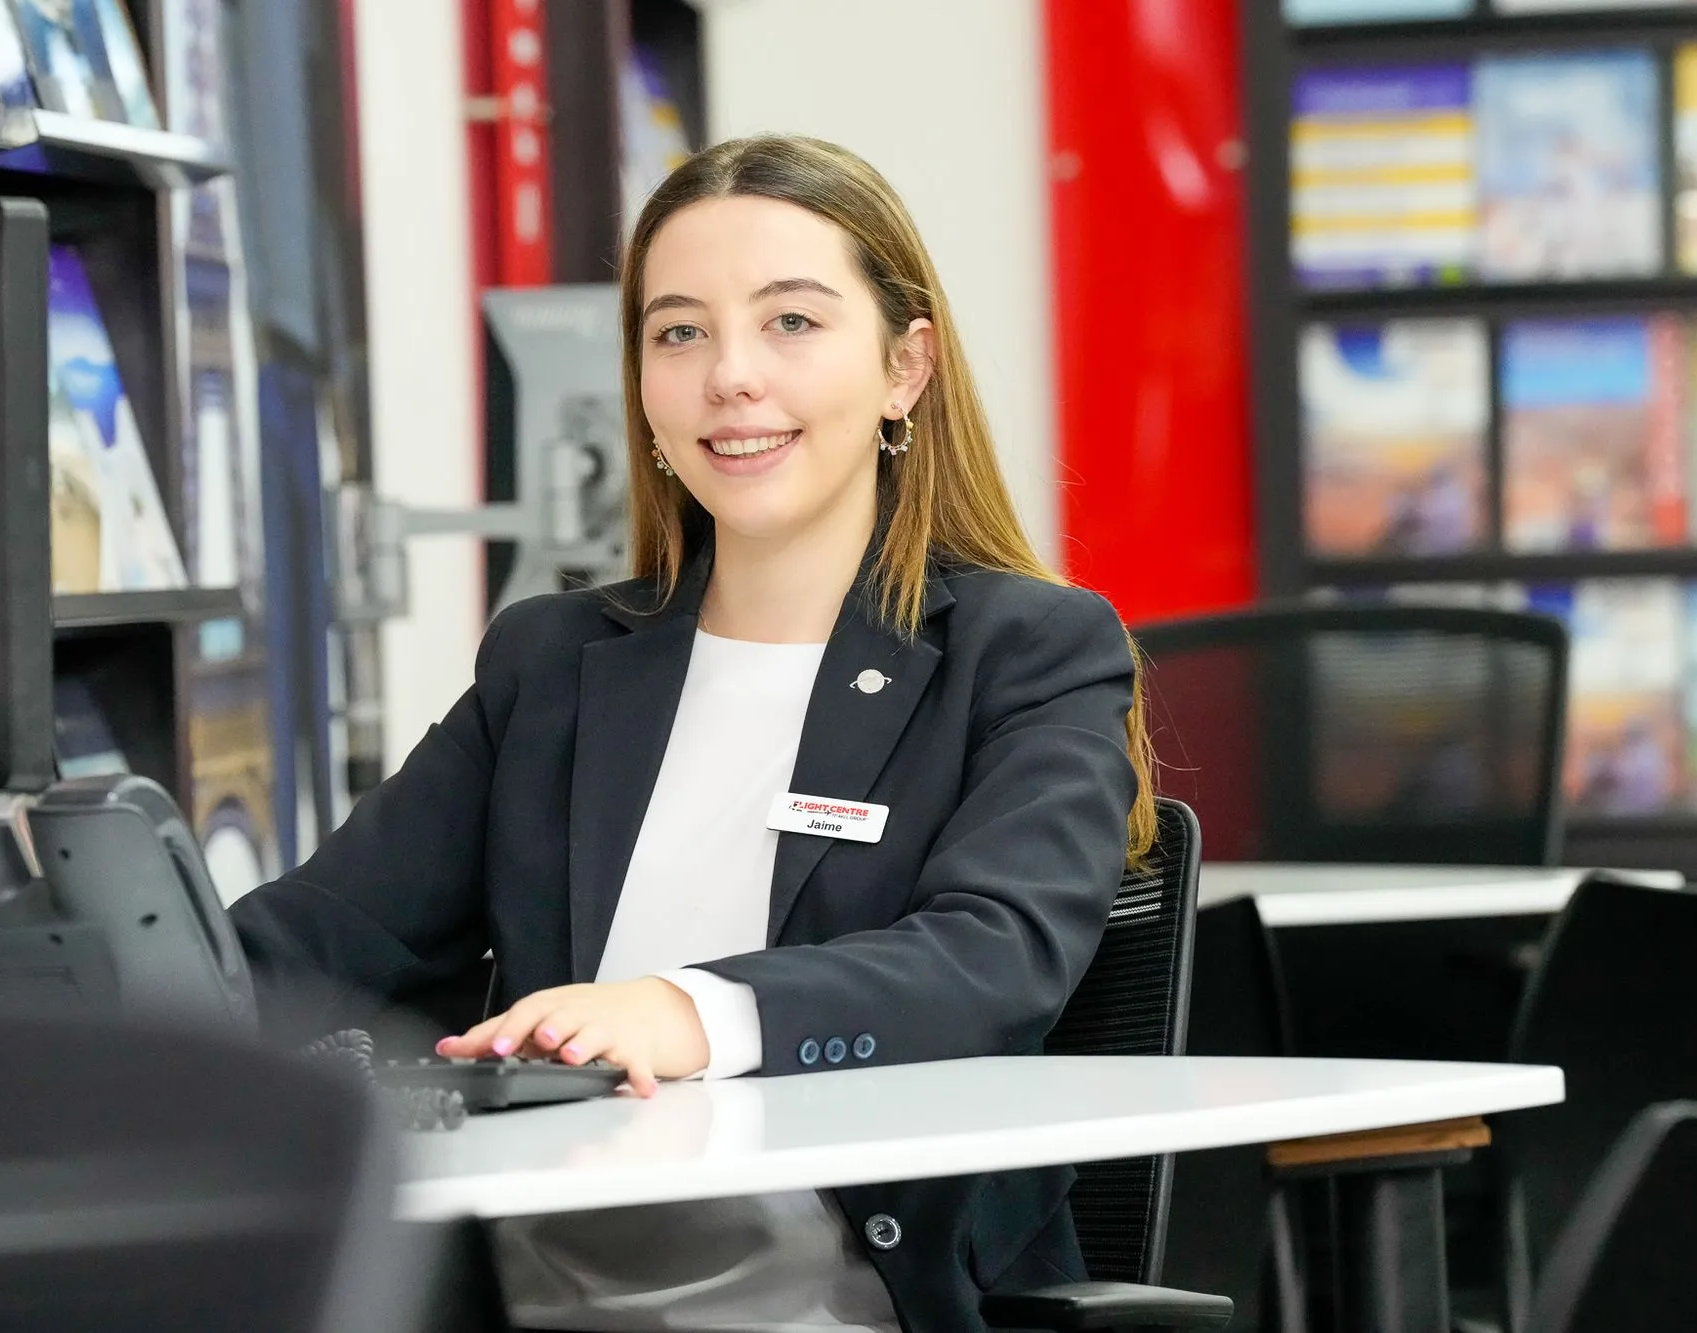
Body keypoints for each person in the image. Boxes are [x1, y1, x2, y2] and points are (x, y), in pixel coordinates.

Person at [227, 134, 1156, 1333]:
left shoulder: (1025, 649)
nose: (729, 377)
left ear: (904, 367)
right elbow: (319, 938)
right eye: (678, 332)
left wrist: (685, 1008)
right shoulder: (551, 661)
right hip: (518, 1288)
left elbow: (992, 956)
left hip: (839, 1298)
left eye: (791, 323)